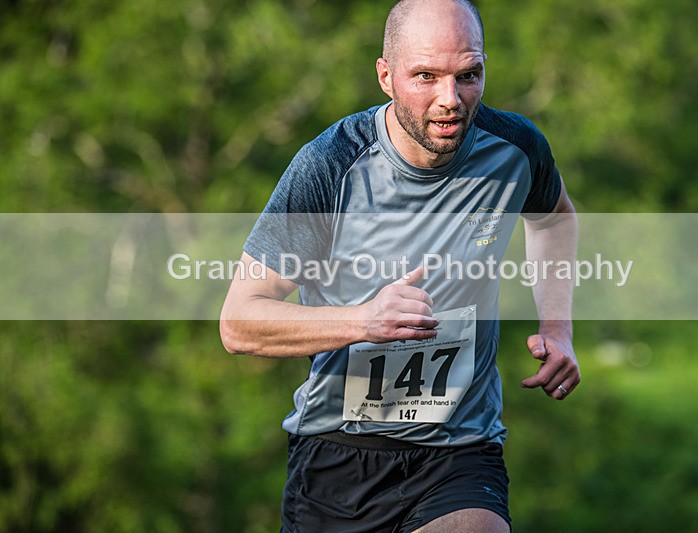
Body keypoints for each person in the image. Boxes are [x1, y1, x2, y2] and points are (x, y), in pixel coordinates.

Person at [220, 0, 580, 531]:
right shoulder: (329, 168)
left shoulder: (515, 150)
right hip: (337, 456)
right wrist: (364, 321)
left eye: (468, 75)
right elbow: (239, 321)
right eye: (426, 77)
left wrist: (558, 328)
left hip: (460, 448)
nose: (449, 100)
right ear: (386, 77)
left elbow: (553, 220)